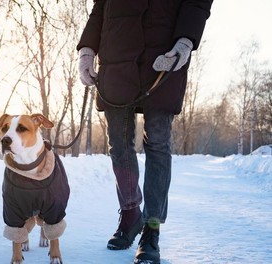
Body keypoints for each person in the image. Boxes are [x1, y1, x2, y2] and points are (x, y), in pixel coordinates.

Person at [77, 1, 213, 263]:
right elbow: (100, 6)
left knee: (158, 142)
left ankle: (151, 227)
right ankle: (130, 214)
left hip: (163, 53)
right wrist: (87, 49)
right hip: (116, 52)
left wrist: (185, 41)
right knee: (118, 142)